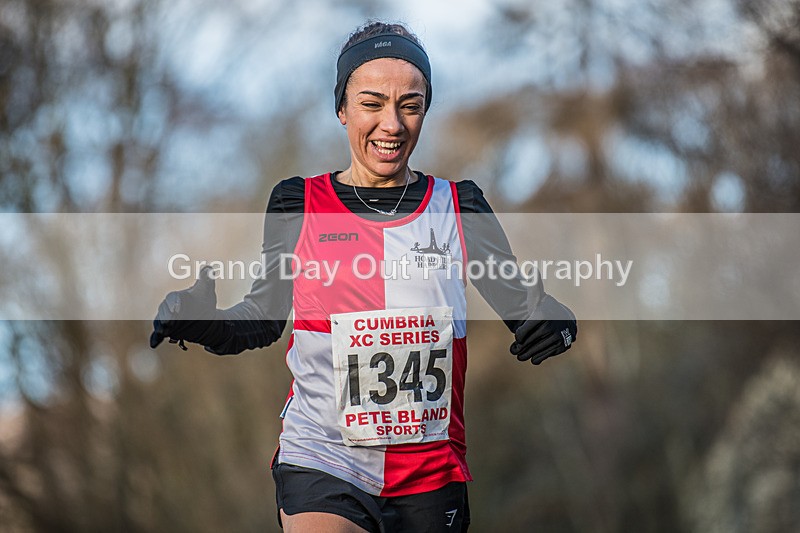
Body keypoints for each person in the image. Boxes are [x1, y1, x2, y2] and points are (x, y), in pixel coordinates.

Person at [150, 21, 577, 533]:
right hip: (323, 458)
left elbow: (527, 310)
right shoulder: (297, 202)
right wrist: (204, 323)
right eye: (372, 103)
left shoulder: (459, 206)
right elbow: (262, 319)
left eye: (410, 105)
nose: (391, 124)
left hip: (429, 472)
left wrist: (560, 324)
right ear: (342, 109)